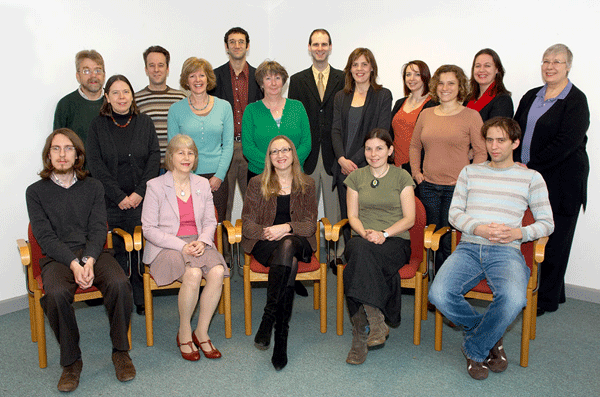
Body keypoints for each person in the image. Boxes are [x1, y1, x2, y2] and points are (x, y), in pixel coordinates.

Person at [428, 117, 554, 380]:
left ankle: (475, 350)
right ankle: (490, 335)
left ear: (515, 142)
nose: (494, 146)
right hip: (469, 248)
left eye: (501, 140)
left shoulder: (530, 177)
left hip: (506, 251)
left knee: (514, 299)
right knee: (439, 294)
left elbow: (547, 223)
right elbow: (455, 215)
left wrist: (517, 232)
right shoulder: (470, 172)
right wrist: (478, 228)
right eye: (489, 140)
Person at [26, 129, 135, 392]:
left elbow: (99, 228)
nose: (62, 154)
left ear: (78, 155)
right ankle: (71, 362)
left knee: (120, 283)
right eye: (56, 149)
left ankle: (120, 351)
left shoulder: (94, 186)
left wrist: (87, 259)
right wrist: (74, 264)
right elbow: (44, 237)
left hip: (94, 253)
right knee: (55, 292)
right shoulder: (35, 192)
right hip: (57, 258)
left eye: (68, 148)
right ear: (48, 155)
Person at [513, 43, 589, 316]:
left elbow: (565, 143)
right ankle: (544, 290)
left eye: (557, 61)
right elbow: (515, 130)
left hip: (563, 180)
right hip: (531, 177)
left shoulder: (576, 100)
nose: (550, 66)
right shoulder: (532, 95)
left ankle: (545, 301)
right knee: (534, 236)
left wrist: (529, 166)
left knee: (555, 239)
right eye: (546, 61)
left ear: (568, 66)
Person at [141, 134, 228, 361]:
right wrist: (182, 245)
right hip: (166, 245)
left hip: (198, 242)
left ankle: (201, 331)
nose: (186, 157)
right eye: (180, 152)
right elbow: (148, 229)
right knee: (193, 273)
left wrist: (203, 240)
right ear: (170, 157)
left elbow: (210, 221)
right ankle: (184, 332)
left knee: (218, 271)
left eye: (190, 153)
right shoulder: (155, 186)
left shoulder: (202, 184)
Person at [241, 136, 317, 371]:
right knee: (288, 260)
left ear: (294, 154)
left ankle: (268, 318)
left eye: (285, 150)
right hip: (266, 242)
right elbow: (247, 224)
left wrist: (285, 228)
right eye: (275, 151)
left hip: (299, 240)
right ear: (269, 158)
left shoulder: (307, 183)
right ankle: (280, 338)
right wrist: (268, 232)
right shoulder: (257, 183)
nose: (280, 154)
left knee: (289, 245)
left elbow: (310, 224)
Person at [86, 75, 161, 315]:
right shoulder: (97, 126)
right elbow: (95, 165)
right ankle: (120, 297)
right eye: (115, 93)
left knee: (139, 248)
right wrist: (119, 196)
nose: (121, 97)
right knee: (116, 250)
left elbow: (153, 158)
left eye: (126, 92)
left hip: (141, 200)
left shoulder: (145, 122)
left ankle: (140, 297)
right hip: (109, 201)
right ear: (107, 97)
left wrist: (139, 192)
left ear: (132, 95)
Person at [343, 128, 415, 365]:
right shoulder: (355, 177)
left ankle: (359, 335)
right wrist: (364, 233)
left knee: (357, 262)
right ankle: (375, 323)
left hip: (395, 239)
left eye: (379, 148)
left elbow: (409, 219)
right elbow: (352, 215)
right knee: (360, 250)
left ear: (390, 150)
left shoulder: (402, 177)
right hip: (363, 237)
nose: (373, 154)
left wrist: (384, 234)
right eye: (369, 148)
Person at [409, 64, 486, 273]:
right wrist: (416, 173)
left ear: (460, 86)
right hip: (428, 187)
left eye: (451, 83)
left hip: (457, 190)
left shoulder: (471, 116)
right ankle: (431, 286)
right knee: (430, 240)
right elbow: (415, 146)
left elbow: (481, 151)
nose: (445, 88)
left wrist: (468, 179)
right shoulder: (426, 114)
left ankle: (446, 287)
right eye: (441, 83)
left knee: (448, 243)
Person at [288, 29, 345, 265]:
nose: (320, 48)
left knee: (335, 210)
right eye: (315, 44)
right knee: (305, 211)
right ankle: (305, 253)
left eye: (324, 44)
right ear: (309, 48)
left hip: (334, 154)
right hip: (307, 153)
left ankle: (336, 254)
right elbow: (293, 119)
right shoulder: (297, 80)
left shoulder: (343, 79)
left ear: (330, 47)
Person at [331, 48, 393, 243]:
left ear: (372, 68)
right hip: (343, 168)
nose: (359, 69)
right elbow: (335, 130)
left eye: (364, 64)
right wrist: (342, 160)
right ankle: (351, 260)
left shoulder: (382, 95)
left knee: (369, 219)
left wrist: (354, 162)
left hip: (369, 167)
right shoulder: (341, 96)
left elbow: (381, 132)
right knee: (348, 218)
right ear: (349, 69)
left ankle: (370, 259)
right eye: (355, 64)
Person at [168, 57, 234, 223]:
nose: (198, 80)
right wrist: (187, 177)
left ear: (208, 78)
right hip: (186, 177)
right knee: (189, 224)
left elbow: (228, 145)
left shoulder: (224, 107)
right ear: (186, 81)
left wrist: (219, 176)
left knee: (218, 225)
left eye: (202, 75)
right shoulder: (175, 110)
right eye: (192, 76)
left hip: (217, 179)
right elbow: (173, 149)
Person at [209, 27, 264, 227]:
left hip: (251, 148)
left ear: (247, 46)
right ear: (226, 46)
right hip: (225, 149)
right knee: (224, 205)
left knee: (255, 205)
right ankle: (225, 255)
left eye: (241, 41)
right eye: (232, 42)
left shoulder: (260, 76)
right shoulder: (214, 77)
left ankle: (253, 250)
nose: (237, 45)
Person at [242, 60, 311, 181]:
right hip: (260, 175)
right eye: (268, 78)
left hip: (294, 175)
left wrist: (288, 164)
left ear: (283, 81)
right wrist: (273, 165)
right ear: (261, 83)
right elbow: (248, 148)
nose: (273, 83)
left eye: (277, 78)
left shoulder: (298, 107)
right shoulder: (251, 110)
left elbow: (306, 143)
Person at [135, 45, 187, 168]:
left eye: (161, 65)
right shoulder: (136, 100)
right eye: (151, 65)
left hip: (177, 167)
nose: (156, 69)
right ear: (146, 69)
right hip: (148, 167)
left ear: (167, 69)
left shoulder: (181, 98)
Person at [390, 60, 436, 175]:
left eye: (417, 74)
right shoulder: (400, 103)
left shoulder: (433, 105)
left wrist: (408, 167)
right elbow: (389, 134)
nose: (411, 78)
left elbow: (431, 143)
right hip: (395, 167)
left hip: (418, 170)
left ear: (425, 77)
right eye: (408, 74)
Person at [53, 50, 106, 144]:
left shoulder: (115, 102)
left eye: (98, 70)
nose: (93, 75)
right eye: (87, 71)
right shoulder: (65, 105)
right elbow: (58, 144)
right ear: (78, 76)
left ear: (104, 75)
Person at [465, 48, 513, 121]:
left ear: (497, 69)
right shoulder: (468, 99)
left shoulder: (503, 101)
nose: (481, 70)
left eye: (487, 66)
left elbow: (497, 131)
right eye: (478, 66)